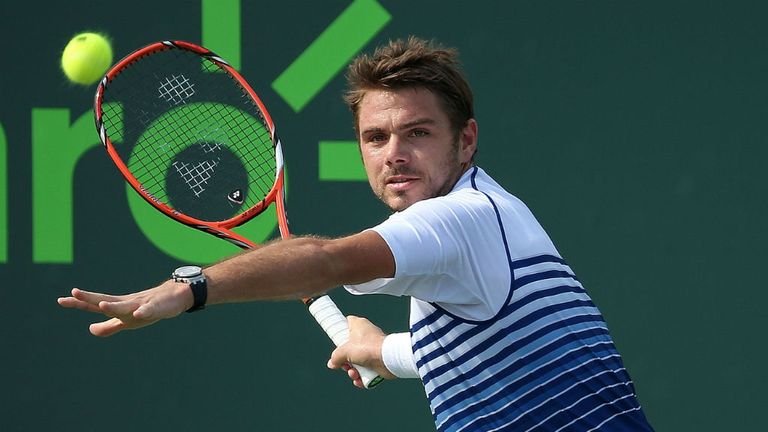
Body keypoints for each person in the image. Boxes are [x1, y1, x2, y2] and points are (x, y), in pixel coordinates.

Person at [59, 37, 654, 431]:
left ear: (465, 140)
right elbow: (485, 346)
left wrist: (190, 288)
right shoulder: (489, 218)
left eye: (418, 133)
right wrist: (382, 352)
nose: (395, 154)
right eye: (376, 138)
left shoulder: (456, 222)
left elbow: (324, 260)